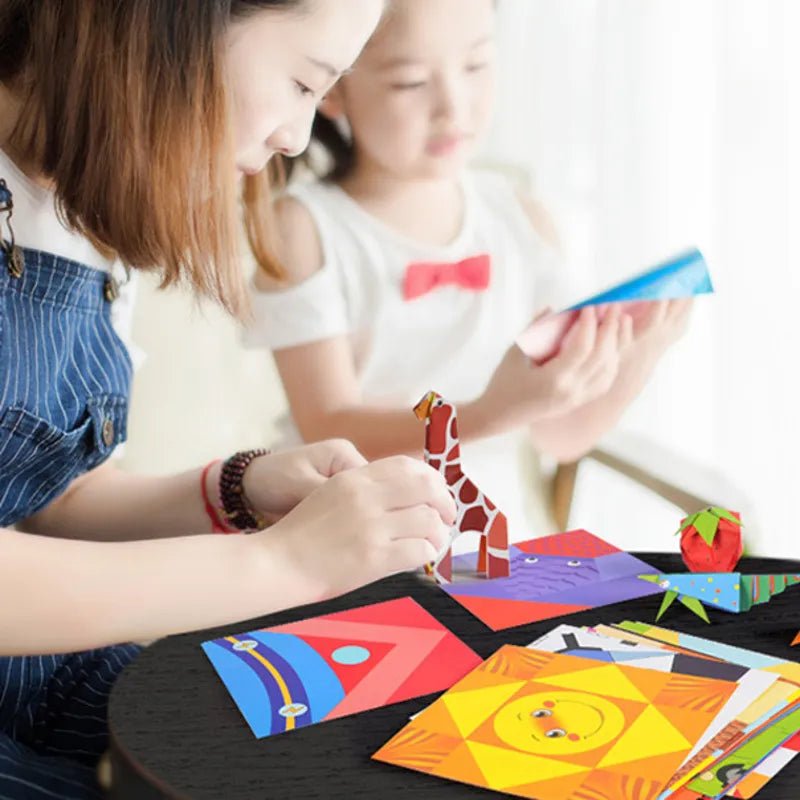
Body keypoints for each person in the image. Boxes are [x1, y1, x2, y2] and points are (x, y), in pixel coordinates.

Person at [0, 1, 456, 796]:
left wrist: (237, 490)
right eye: (303, 81)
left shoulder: (86, 205)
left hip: (49, 681)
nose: (298, 137)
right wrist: (280, 563)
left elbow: (47, 500)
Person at [245, 0, 692, 542]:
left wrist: (640, 353)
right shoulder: (303, 228)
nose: (453, 108)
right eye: (410, 82)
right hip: (352, 543)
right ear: (334, 85)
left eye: (477, 65)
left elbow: (560, 436)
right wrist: (487, 414)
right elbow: (327, 425)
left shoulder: (522, 220)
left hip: (499, 552)